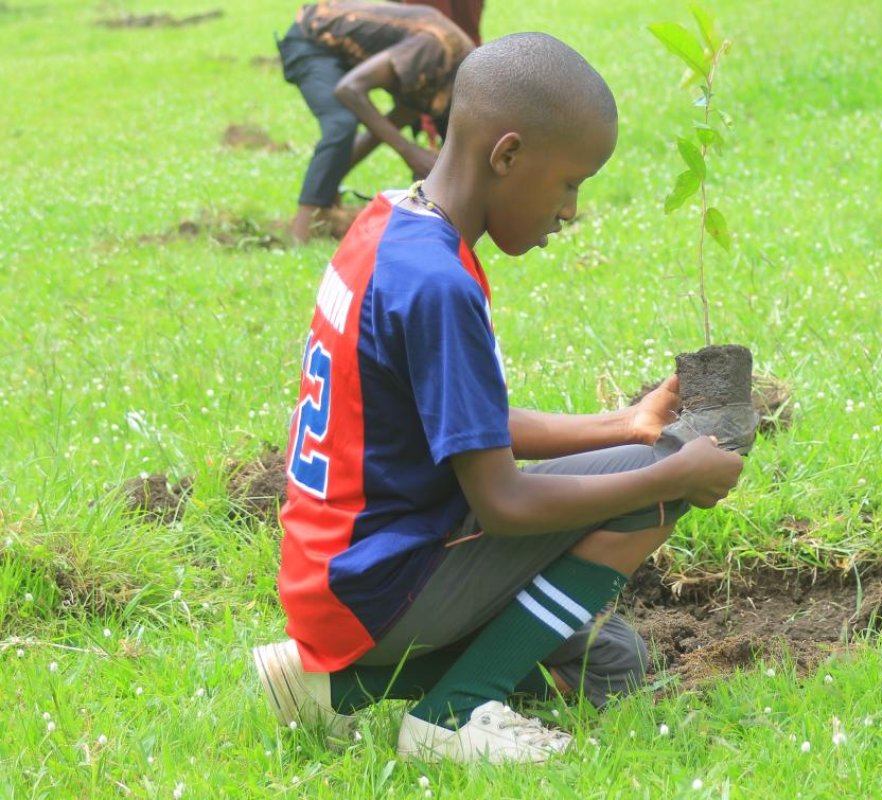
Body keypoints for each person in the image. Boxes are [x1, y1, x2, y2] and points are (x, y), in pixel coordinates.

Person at [253, 32, 745, 764]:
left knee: (608, 659)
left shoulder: (390, 222)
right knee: (652, 492)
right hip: (378, 584)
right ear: (507, 155)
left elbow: (455, 422)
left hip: (336, 574)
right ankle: (446, 720)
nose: (572, 212)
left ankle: (335, 690)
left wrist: (626, 423)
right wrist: (670, 474)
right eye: (570, 183)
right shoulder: (440, 286)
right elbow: (503, 506)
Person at [276, 1, 474, 242]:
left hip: (345, 50)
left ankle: (326, 201)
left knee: (381, 128)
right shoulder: (434, 50)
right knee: (341, 124)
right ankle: (301, 231)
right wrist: (410, 152)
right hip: (311, 38)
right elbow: (349, 89)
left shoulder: (453, 83)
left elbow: (455, 162)